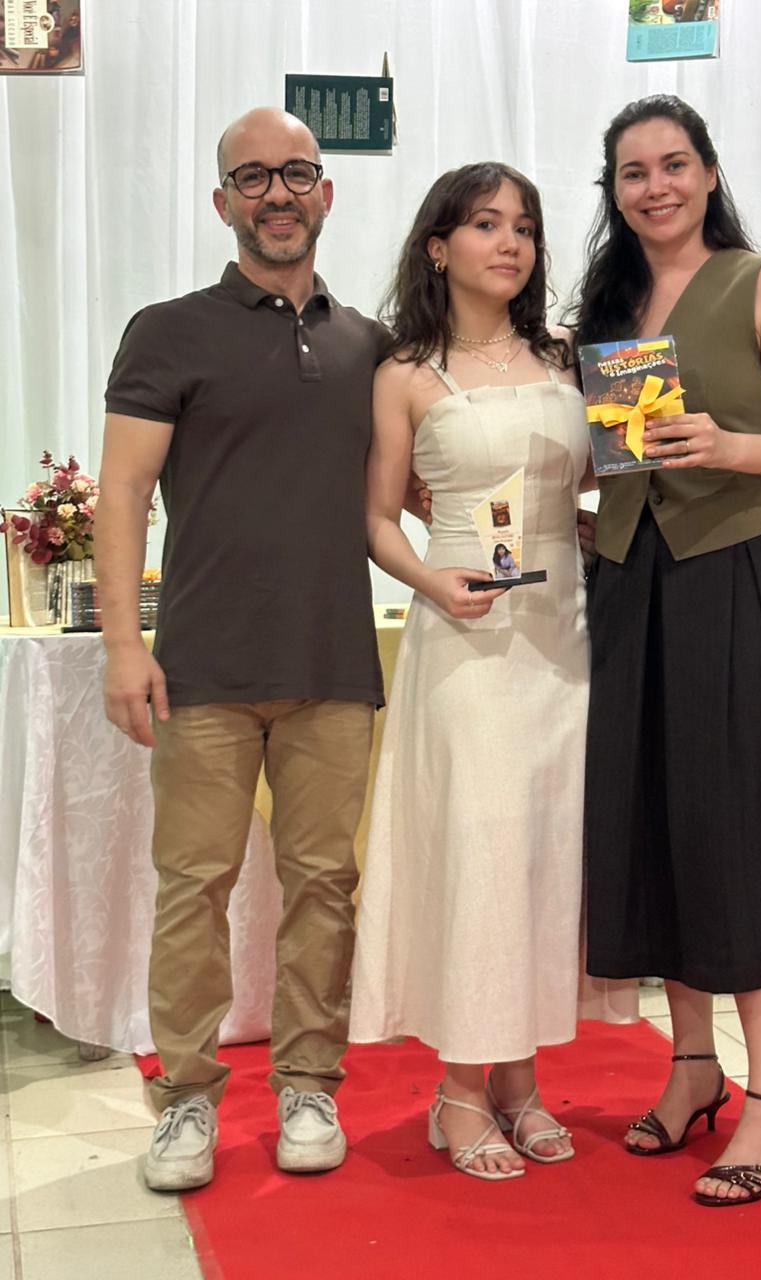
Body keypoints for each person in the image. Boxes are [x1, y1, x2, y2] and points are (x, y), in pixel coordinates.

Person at [575, 95, 761, 1207]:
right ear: (613, 192)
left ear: (708, 173)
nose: (654, 187)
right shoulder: (607, 305)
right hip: (631, 580)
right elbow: (612, 459)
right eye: (632, 172)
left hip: (737, 572)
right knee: (657, 816)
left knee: (740, 824)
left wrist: (730, 445)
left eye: (673, 164)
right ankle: (691, 1063)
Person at [97, 107, 389, 1191]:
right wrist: (124, 644)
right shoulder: (167, 331)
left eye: (296, 174)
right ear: (223, 200)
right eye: (253, 177)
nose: (277, 194)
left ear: (326, 193)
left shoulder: (370, 346)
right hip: (203, 668)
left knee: (326, 885)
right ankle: (185, 1098)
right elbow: (122, 492)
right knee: (193, 887)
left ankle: (309, 1083)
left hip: (333, 666)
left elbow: (415, 487)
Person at [348, 162, 636, 1182]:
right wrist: (431, 579)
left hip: (564, 635)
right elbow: (378, 517)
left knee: (545, 852)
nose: (509, 242)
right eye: (484, 224)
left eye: (524, 226)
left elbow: (609, 475)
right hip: (465, 640)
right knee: (479, 847)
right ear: (439, 246)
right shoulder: (405, 372)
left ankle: (519, 1080)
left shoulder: (569, 358)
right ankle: (458, 1089)